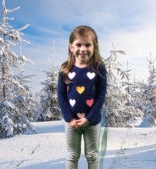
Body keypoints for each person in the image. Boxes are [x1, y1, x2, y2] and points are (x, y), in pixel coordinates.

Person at [57, 25, 107, 169]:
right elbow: (61, 95)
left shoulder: (98, 68)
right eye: (78, 44)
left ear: (94, 47)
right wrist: (69, 118)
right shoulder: (65, 68)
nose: (83, 49)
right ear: (71, 47)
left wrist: (89, 118)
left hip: (92, 122)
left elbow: (101, 95)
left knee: (92, 155)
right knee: (72, 156)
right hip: (72, 122)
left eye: (87, 44)